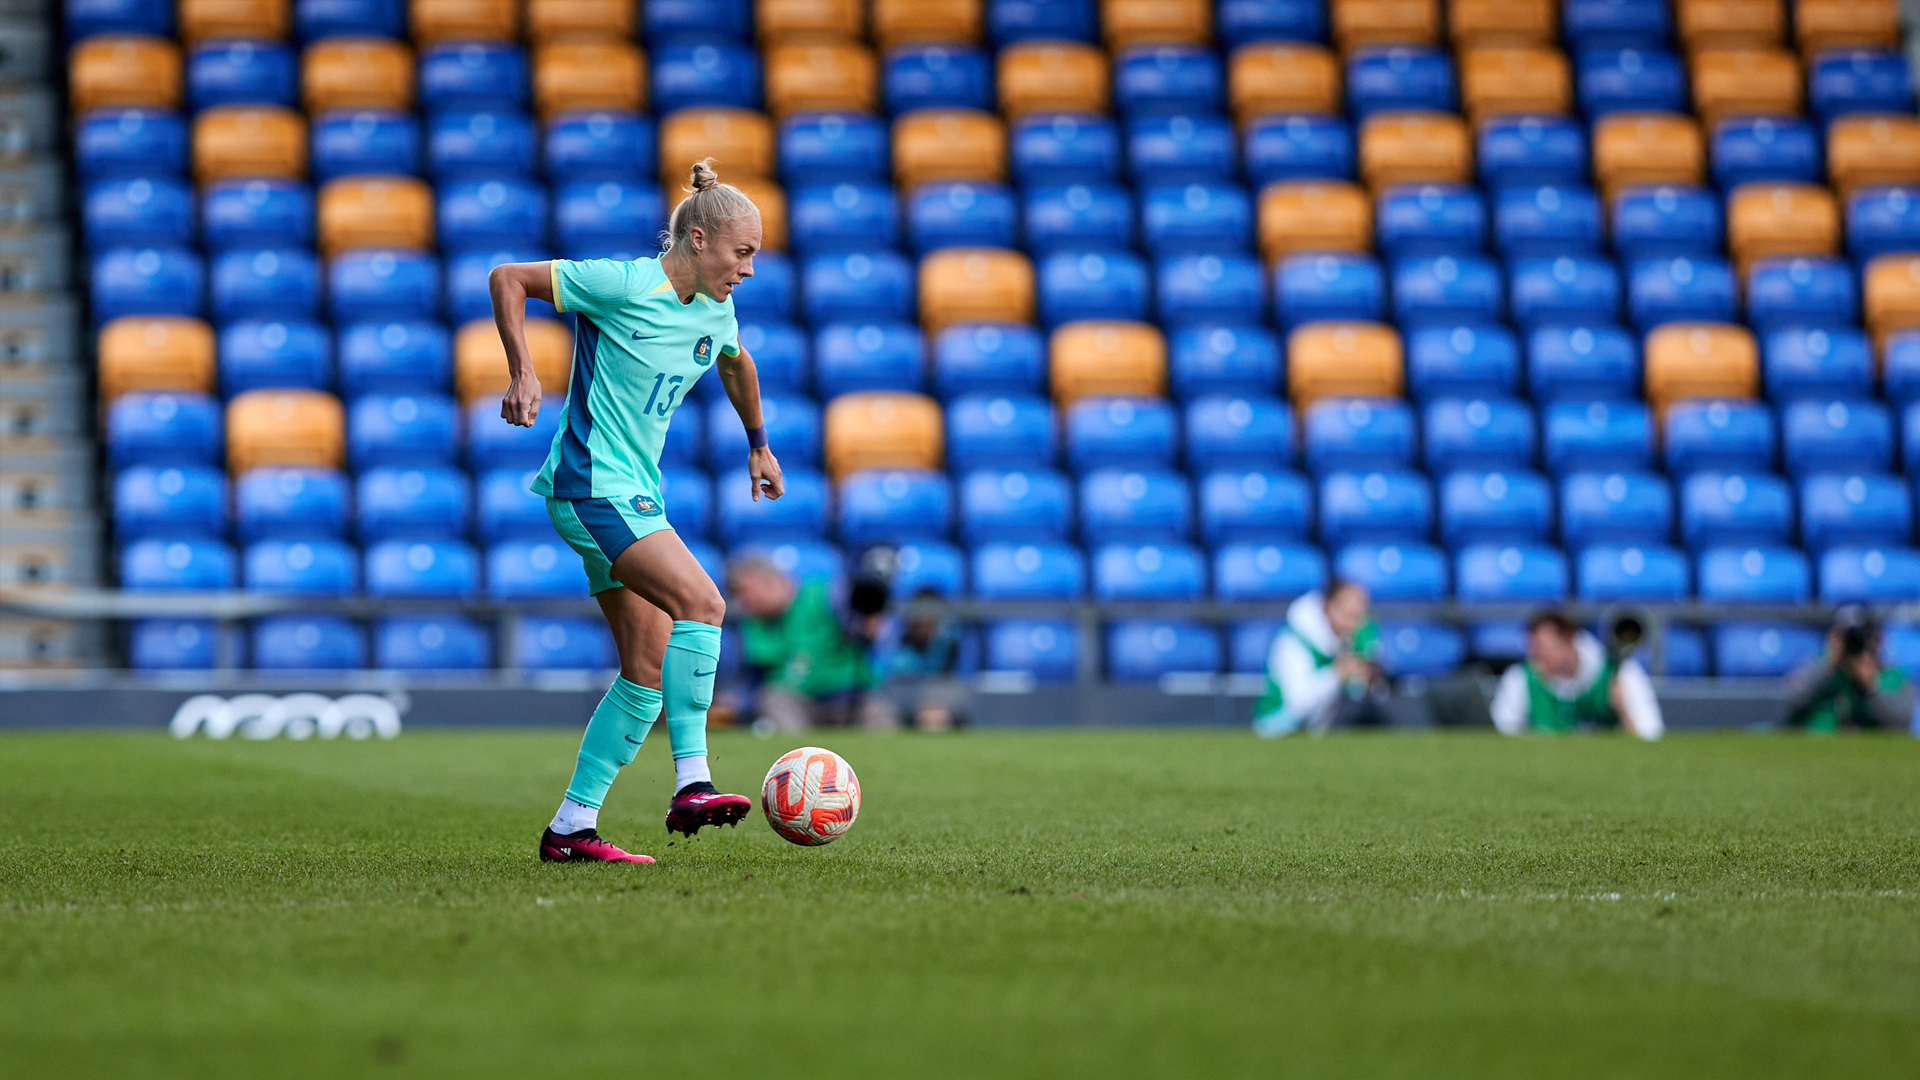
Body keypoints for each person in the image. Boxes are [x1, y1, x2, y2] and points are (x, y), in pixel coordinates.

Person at [490, 159, 783, 864]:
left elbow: (736, 363)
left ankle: (570, 829)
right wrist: (523, 371)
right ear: (701, 239)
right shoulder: (624, 283)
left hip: (631, 492)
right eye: (741, 252)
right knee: (704, 603)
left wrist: (759, 445)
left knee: (647, 671)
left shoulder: (716, 307)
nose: (747, 268)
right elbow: (509, 277)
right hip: (591, 485)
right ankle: (694, 782)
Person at [729, 557, 895, 731]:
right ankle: (797, 756)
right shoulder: (751, 623)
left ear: (770, 582)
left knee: (878, 713)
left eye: (744, 591)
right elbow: (750, 680)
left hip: (847, 694)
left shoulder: (824, 594)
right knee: (772, 698)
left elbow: (871, 626)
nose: (742, 601)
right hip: (796, 701)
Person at [1490, 610, 1663, 739]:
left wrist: (1623, 710)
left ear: (1569, 641)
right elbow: (1503, 736)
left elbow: (1651, 735)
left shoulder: (1623, 673)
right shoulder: (1520, 677)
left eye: (1544, 647)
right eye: (1533, 648)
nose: (1536, 656)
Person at [1252, 579, 1387, 737]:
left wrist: (1369, 677)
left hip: (1321, 733)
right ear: (1328, 606)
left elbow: (1375, 692)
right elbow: (1298, 704)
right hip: (1277, 729)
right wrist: (1338, 674)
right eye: (1348, 615)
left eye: (1358, 616)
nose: (1353, 625)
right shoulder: (1292, 641)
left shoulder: (1359, 633)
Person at [1782, 608, 1915, 732]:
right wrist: (1827, 666)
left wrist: (1870, 687)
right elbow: (1788, 703)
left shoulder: (1893, 677)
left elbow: (1901, 723)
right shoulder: (1818, 667)